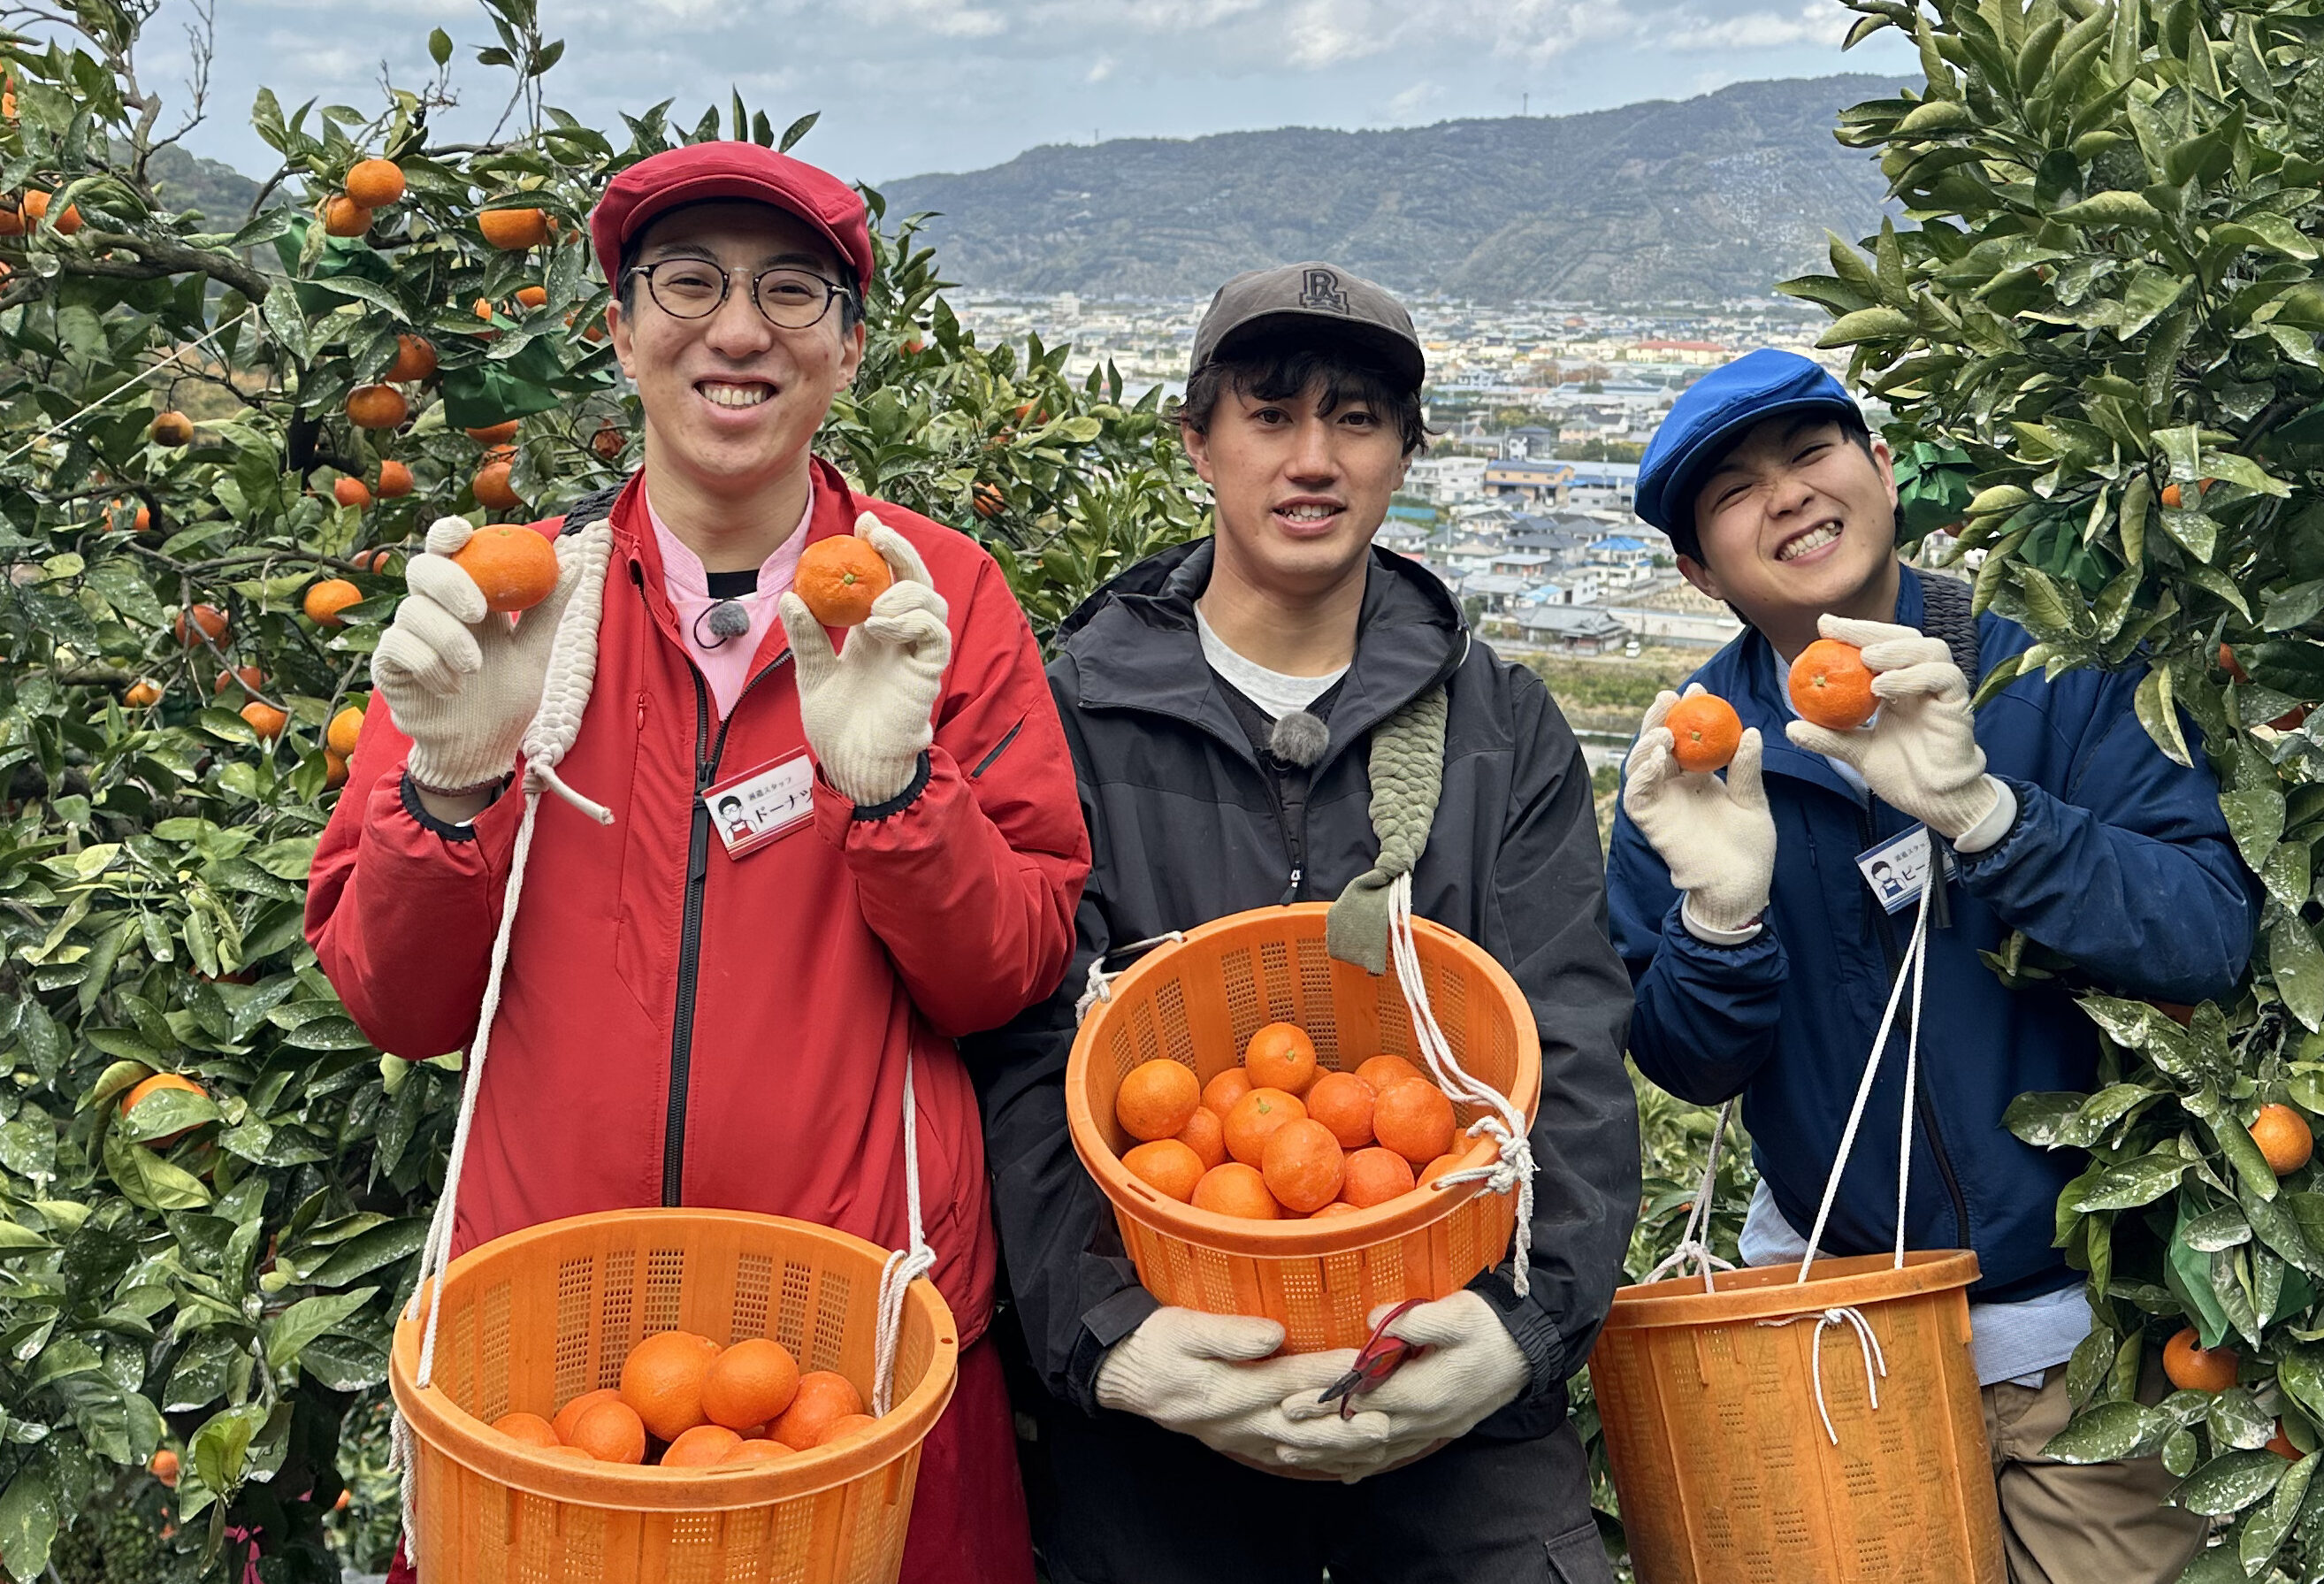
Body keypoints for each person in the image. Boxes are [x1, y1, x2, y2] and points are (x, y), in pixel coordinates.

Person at [305, 142, 1086, 1584]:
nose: (738, 330)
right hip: (545, 1355)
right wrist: (455, 781)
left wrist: (902, 795)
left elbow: (1006, 972)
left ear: (850, 349)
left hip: (860, 1349)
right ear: (618, 325)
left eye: (793, 292)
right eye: (689, 282)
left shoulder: (939, 600)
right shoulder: (507, 608)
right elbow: (395, 1005)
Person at [966, 263, 1640, 1583]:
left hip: (1457, 1404)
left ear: (1404, 456)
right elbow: (1030, 1051)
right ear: (1198, 442)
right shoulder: (1070, 719)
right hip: (1169, 1423)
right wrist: (1110, 1344)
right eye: (1270, 415)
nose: (1313, 458)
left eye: (1357, 419)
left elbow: (1568, 1048)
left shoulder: (1500, 728)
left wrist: (1517, 1331)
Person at [1607, 348, 2259, 1584]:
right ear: (1697, 569)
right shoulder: (1693, 760)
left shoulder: (2048, 680)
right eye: (1736, 491)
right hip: (1838, 1336)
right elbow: (1689, 1062)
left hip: (2089, 1340)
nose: (1789, 495)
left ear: (1884, 468)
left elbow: (2209, 933)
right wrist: (1721, 924)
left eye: (1811, 453)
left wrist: (1992, 818)